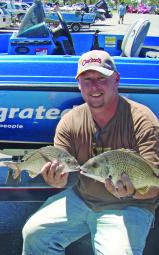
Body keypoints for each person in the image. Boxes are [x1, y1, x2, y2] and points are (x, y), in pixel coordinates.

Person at [22, 50, 159, 255]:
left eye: (101, 78)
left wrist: (131, 192)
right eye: (87, 79)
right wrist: (56, 180)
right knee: (34, 234)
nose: (94, 86)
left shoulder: (142, 121)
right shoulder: (70, 122)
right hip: (82, 198)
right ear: (79, 84)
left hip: (129, 205)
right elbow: (62, 176)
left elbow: (153, 187)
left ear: (116, 80)